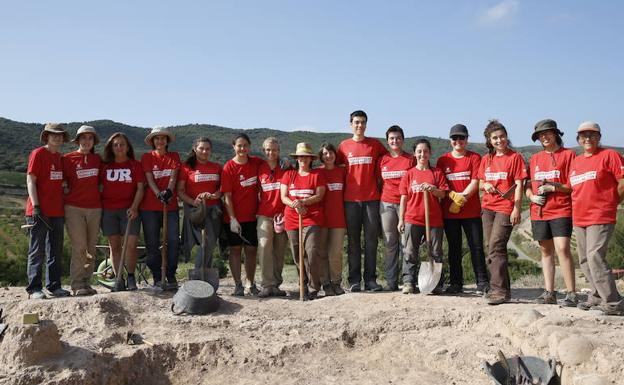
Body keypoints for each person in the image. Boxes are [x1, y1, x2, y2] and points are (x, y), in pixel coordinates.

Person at [570, 121, 624, 316]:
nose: (587, 138)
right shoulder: (576, 162)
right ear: (578, 139)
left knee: (595, 256)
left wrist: (611, 201)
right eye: (583, 135)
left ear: (599, 137)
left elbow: (622, 181)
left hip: (600, 214)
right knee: (584, 259)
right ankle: (596, 296)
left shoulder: (609, 155)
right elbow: (575, 188)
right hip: (579, 216)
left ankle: (613, 302)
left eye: (592, 135)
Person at [525, 119, 577, 306]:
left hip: (561, 208)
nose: (544, 137)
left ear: (556, 134)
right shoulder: (535, 158)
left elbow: (571, 187)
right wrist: (531, 197)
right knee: (546, 251)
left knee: (562, 249)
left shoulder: (569, 155)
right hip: (539, 211)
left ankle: (571, 293)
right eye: (540, 135)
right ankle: (550, 292)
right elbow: (528, 186)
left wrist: (554, 188)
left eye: (547, 133)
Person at [337, 110, 388, 292]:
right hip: (350, 200)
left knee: (371, 241)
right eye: (356, 122)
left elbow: (390, 161)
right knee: (353, 242)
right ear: (350, 124)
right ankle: (354, 280)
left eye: (363, 122)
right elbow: (331, 167)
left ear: (366, 124)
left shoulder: (375, 145)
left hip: (372, 200)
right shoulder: (343, 146)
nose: (360, 125)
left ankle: (371, 280)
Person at [436, 124, 489, 295]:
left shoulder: (474, 158)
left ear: (467, 139)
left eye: (462, 137)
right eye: (455, 138)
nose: (458, 141)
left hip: (471, 211)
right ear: (450, 140)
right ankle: (456, 283)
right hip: (450, 212)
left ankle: (482, 282)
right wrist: (453, 196)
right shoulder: (443, 160)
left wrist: (462, 198)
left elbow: (475, 181)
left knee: (476, 247)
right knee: (454, 248)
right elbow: (442, 185)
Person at [478, 120, 527, 305]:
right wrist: (486, 184)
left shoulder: (515, 157)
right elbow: (481, 182)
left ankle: (498, 291)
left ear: (507, 137)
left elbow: (520, 184)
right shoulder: (486, 159)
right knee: (490, 247)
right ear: (489, 141)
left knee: (496, 246)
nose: (499, 140)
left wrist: (516, 208)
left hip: (505, 207)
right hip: (488, 207)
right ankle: (502, 289)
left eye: (502, 136)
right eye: (495, 138)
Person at [24, 123, 71, 299]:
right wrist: (36, 206)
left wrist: (66, 187)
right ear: (47, 136)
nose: (57, 138)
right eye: (53, 135)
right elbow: (31, 181)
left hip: (57, 210)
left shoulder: (60, 158)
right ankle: (34, 288)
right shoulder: (38, 154)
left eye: (60, 135)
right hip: (38, 211)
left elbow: (61, 181)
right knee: (37, 250)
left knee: (55, 250)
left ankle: (54, 286)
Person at [398, 139, 448, 294]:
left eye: (425, 151)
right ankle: (409, 282)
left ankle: (436, 283)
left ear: (430, 153)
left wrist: (433, 189)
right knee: (410, 251)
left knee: (435, 252)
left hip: (433, 220)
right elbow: (404, 198)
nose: (422, 154)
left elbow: (443, 193)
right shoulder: (409, 174)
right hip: (412, 218)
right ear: (415, 153)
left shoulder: (437, 172)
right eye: (419, 151)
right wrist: (401, 219)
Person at [280, 143, 326, 300]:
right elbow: (283, 196)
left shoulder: (316, 175)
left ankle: (314, 287)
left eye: (306, 156)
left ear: (311, 159)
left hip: (312, 218)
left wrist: (303, 202)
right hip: (292, 218)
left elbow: (319, 195)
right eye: (300, 156)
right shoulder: (289, 175)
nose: (303, 159)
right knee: (297, 254)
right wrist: (294, 203)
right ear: (297, 158)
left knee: (311, 251)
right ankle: (303, 285)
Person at [100, 132, 145, 291]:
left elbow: (140, 188)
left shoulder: (135, 165)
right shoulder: (104, 166)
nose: (119, 147)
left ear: (127, 147)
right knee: (114, 246)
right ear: (111, 148)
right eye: (115, 145)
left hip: (129, 210)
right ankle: (119, 278)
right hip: (109, 211)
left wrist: (134, 207)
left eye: (122, 144)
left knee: (131, 245)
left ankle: (131, 276)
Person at [62, 125, 102, 296]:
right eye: (83, 138)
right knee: (80, 246)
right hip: (74, 208)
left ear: (93, 141)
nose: (86, 141)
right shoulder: (67, 159)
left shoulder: (98, 160)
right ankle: (77, 284)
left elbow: (102, 183)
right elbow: (61, 182)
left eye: (90, 138)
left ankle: (87, 282)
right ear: (77, 140)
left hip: (95, 208)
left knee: (91, 247)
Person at [221, 133, 262, 296]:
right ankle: (238, 284)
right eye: (239, 145)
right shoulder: (228, 167)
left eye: (245, 145)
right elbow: (227, 196)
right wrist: (232, 219)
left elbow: (272, 166)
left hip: (252, 217)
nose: (242, 148)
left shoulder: (256, 163)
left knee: (251, 250)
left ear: (249, 146)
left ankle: (250, 283)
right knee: (236, 250)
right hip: (234, 218)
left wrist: (285, 162)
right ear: (234, 147)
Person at [140, 126, 180, 290]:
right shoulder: (147, 157)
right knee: (152, 243)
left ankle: (170, 275)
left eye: (163, 138)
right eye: (157, 138)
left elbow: (173, 176)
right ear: (152, 141)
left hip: (170, 207)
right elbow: (149, 178)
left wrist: (169, 191)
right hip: (149, 206)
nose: (160, 141)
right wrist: (158, 194)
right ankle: (157, 276)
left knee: (172, 240)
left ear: (167, 141)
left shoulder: (174, 156)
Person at [177, 137, 222, 282]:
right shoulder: (186, 167)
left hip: (214, 210)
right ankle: (196, 279)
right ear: (195, 149)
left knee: (210, 244)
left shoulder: (217, 167)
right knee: (206, 242)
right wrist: (193, 201)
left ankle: (205, 280)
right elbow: (180, 191)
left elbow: (222, 189)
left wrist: (213, 195)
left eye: (207, 149)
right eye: (201, 148)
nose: (204, 151)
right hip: (196, 212)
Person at [378, 125, 414, 291]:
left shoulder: (410, 159)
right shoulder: (383, 160)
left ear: (403, 140)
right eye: (392, 138)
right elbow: (379, 182)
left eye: (398, 138)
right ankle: (391, 281)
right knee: (390, 243)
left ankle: (408, 280)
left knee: (406, 242)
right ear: (387, 141)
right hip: (386, 204)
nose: (395, 141)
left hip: (406, 204)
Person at [256, 137, 288, 298]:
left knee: (279, 251)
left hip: (283, 215)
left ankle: (276, 284)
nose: (271, 152)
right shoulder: (259, 168)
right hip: (264, 215)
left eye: (274, 149)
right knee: (264, 248)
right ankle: (267, 285)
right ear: (263, 151)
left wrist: (290, 162)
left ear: (279, 151)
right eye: (268, 149)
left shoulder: (285, 168)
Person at [318, 142, 347, 296]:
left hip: (338, 219)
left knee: (335, 252)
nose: (328, 156)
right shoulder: (317, 172)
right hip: (320, 219)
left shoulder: (342, 172)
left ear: (335, 155)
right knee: (322, 252)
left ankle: (336, 282)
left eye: (331, 153)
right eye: (324, 153)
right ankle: (325, 284)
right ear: (320, 156)